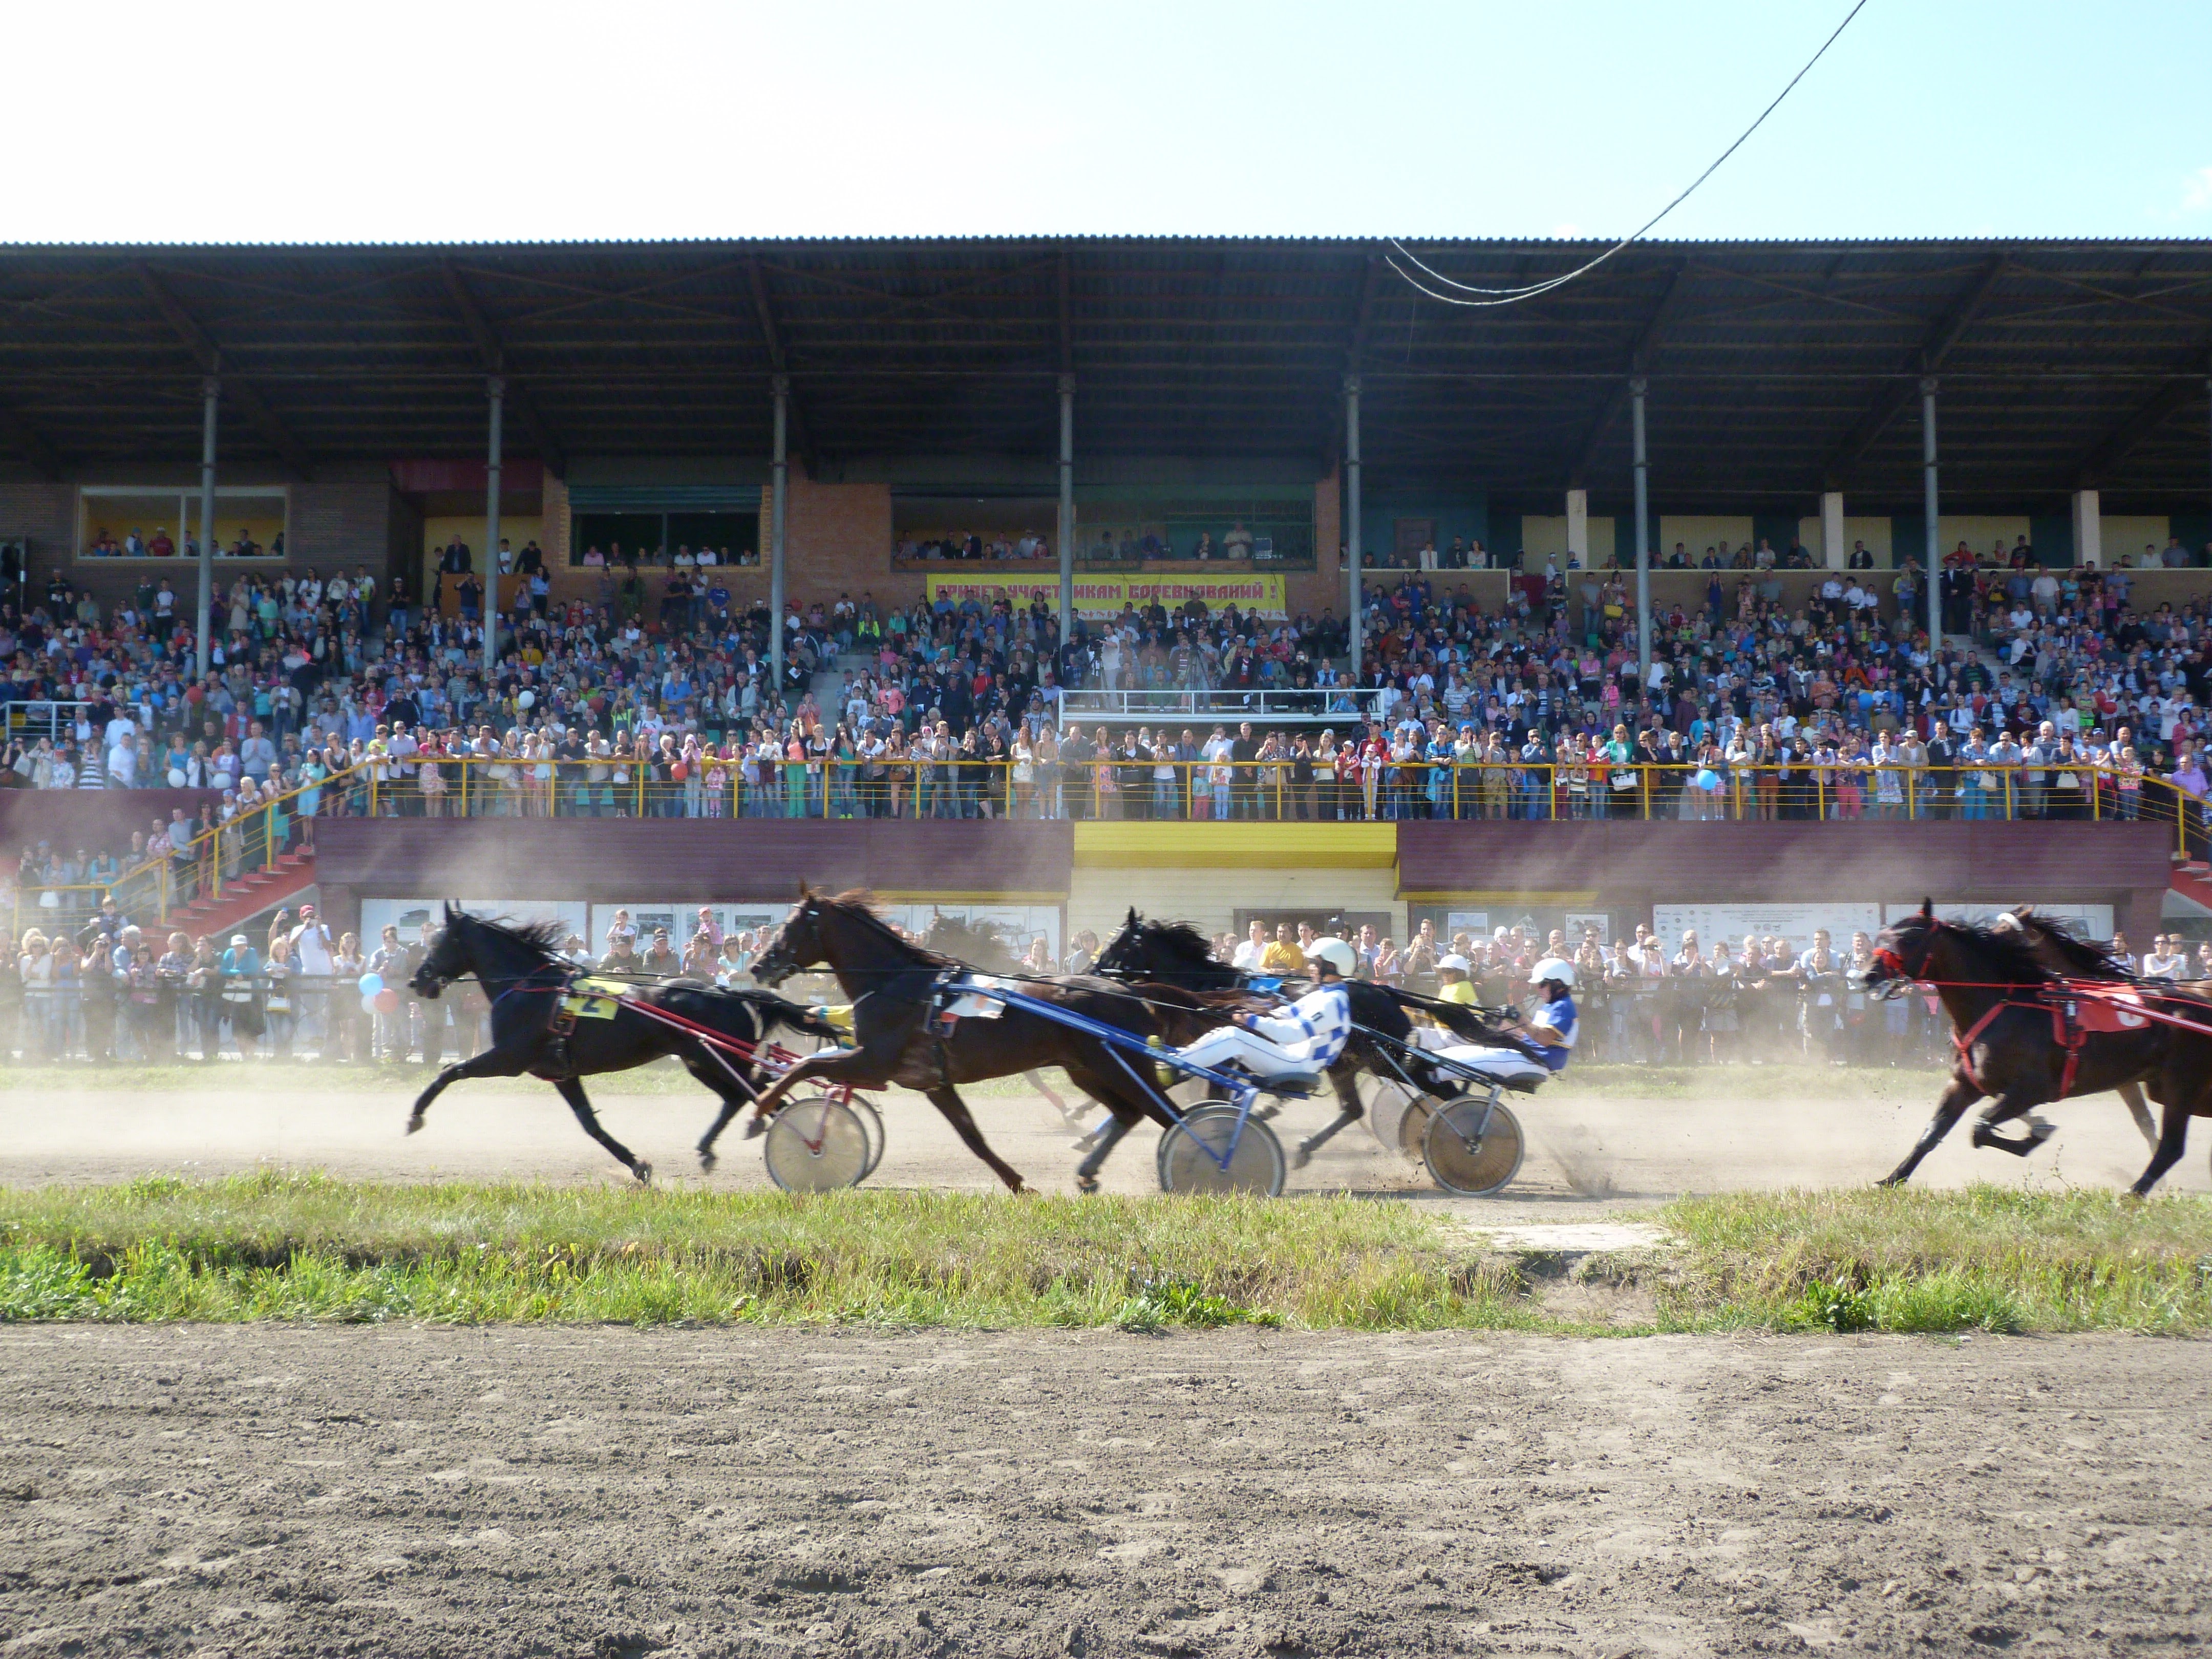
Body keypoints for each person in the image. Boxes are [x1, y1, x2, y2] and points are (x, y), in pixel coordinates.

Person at [1157, 937, 1356, 1087]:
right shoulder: (1324, 994)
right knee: (1228, 1031)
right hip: (1291, 1056)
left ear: (1333, 966)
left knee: (1234, 1037)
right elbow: (1286, 1012)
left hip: (1298, 1063)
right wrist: (1250, 1008)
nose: (1311, 968)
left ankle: (1176, 1067)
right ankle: (1181, 1055)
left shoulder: (1333, 1003)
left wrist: (1253, 1021)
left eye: (1316, 963)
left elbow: (1293, 1033)